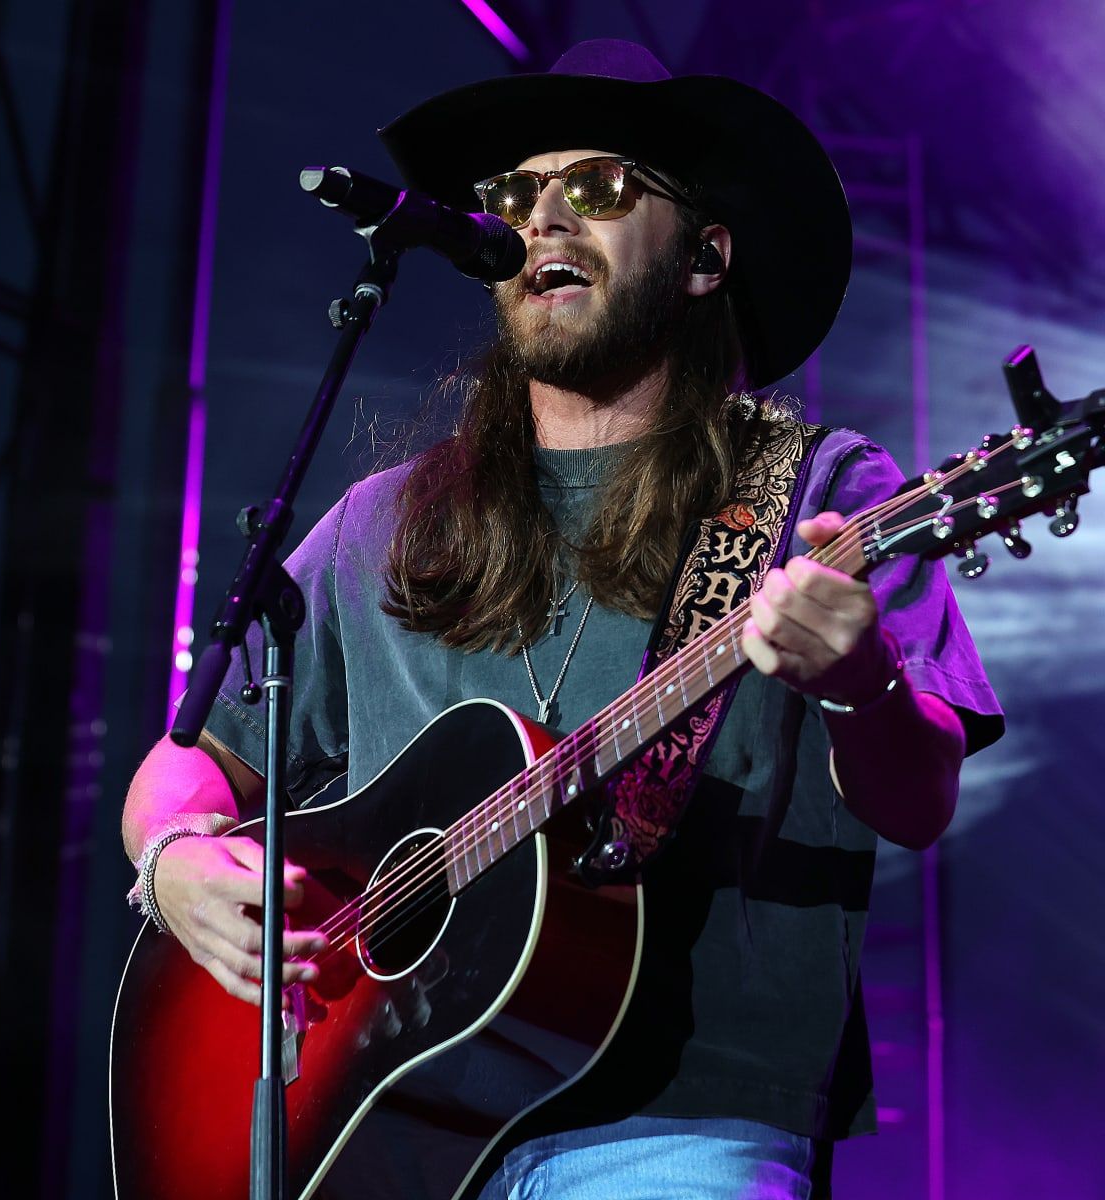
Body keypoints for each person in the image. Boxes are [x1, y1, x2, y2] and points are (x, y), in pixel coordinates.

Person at [122, 39, 1003, 1200]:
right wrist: (176, 863)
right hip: (378, 1128)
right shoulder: (381, 522)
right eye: (514, 197)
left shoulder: (822, 493)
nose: (543, 218)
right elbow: (183, 772)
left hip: (679, 1123)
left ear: (703, 256)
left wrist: (860, 680)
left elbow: (919, 797)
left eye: (595, 189)